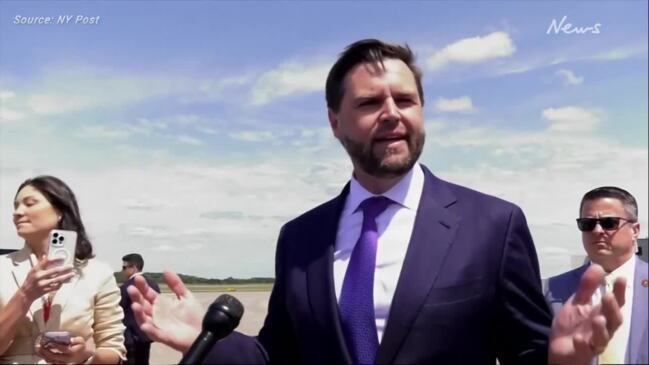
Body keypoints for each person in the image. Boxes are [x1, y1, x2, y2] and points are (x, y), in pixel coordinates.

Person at [128, 39, 624, 365]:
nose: (391, 114)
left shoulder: (492, 225)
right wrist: (206, 340)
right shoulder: (300, 238)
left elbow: (529, 350)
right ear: (335, 122)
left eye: (405, 101)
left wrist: (562, 359)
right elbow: (276, 357)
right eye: (369, 103)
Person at [0, 175, 126, 364]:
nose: (18, 212)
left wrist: (85, 356)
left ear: (60, 211)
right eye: (15, 206)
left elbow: (113, 351)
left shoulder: (98, 274)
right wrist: (25, 294)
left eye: (30, 203)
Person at [545, 187, 648, 364]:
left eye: (609, 223)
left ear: (635, 230)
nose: (597, 230)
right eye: (587, 224)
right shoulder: (548, 291)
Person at [119, 253, 160, 365]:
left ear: (134, 268)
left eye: (124, 267)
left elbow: (118, 311)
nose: (122, 270)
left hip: (130, 338)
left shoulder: (126, 286)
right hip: (147, 335)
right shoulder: (153, 284)